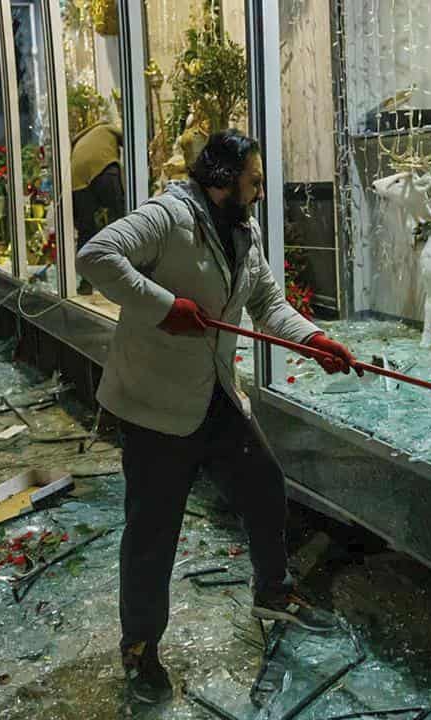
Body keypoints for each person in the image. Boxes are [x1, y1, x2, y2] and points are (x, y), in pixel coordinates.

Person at [77, 129, 359, 705]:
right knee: (154, 532)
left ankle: (274, 592)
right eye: (254, 180)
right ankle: (139, 650)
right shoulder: (167, 215)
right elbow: (95, 257)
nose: (259, 191)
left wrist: (315, 341)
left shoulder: (241, 232)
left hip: (215, 398)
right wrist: (164, 307)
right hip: (156, 407)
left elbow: (267, 305)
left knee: (264, 486)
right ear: (223, 179)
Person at [70, 121, 126, 295]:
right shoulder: (108, 128)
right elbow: (131, 141)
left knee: (86, 230)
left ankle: (85, 283)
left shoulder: (79, 141)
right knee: (121, 221)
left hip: (76, 178)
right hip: (103, 167)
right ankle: (121, 280)